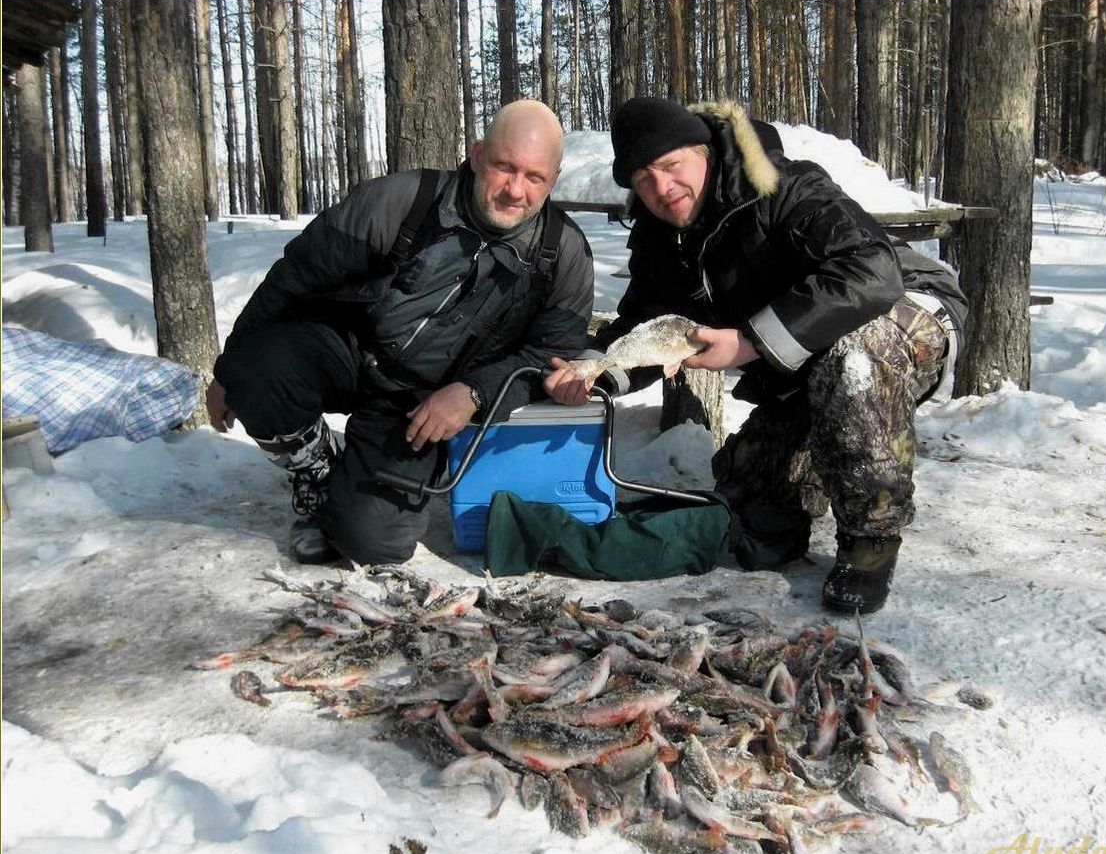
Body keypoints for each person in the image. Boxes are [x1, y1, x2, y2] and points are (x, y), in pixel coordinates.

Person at [544, 98, 967, 615]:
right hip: (804, 361)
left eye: (672, 166)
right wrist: (597, 373)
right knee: (750, 503)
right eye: (643, 178)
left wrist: (748, 343)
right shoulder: (661, 237)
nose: (661, 188)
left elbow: (872, 272)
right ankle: (817, 470)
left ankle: (871, 537)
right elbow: (645, 329)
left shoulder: (786, 187)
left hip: (906, 312)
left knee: (854, 358)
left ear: (705, 153)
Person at [208, 99, 594, 566]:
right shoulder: (398, 201)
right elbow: (291, 280)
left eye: (534, 177)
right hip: (345, 348)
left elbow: (551, 353)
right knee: (255, 371)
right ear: (475, 155)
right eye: (503, 167)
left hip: (421, 399)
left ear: (553, 179)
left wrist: (474, 393)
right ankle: (317, 470)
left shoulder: (564, 254)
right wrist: (229, 370)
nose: (515, 190)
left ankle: (350, 493)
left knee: (373, 544)